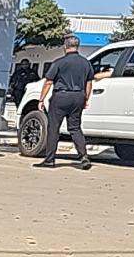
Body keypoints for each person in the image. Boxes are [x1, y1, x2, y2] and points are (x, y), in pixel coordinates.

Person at [35, 34, 94, 169]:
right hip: (78, 96)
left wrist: (41, 99)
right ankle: (84, 157)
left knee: (53, 128)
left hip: (61, 96)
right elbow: (89, 83)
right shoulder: (86, 63)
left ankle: (50, 160)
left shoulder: (59, 62)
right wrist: (86, 98)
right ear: (77, 46)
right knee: (75, 128)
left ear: (65, 46)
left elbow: (48, 82)